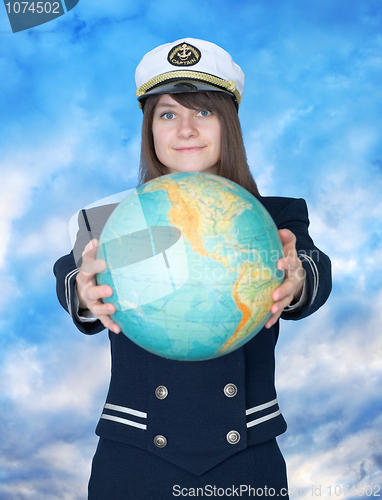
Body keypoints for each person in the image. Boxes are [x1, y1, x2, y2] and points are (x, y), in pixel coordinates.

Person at [54, 38, 332, 499]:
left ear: (230, 125)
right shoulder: (108, 218)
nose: (185, 129)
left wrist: (297, 277)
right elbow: (71, 278)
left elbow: (312, 270)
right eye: (167, 113)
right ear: (151, 129)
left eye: (203, 112)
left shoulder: (274, 216)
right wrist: (86, 294)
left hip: (247, 455)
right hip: (133, 456)